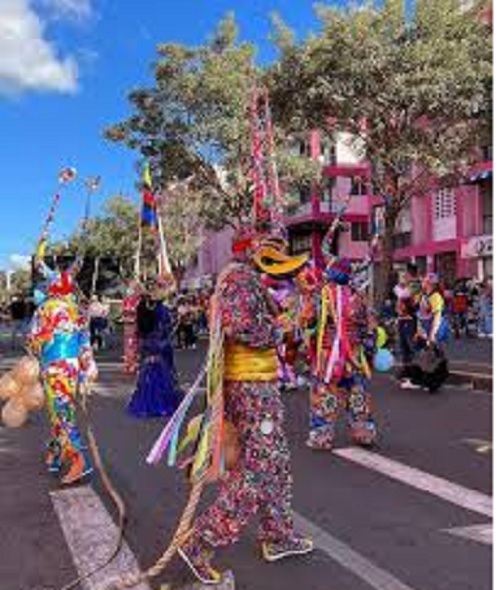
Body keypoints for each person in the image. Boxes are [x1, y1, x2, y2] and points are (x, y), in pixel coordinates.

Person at [178, 232, 313, 585]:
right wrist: (279, 328)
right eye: (275, 249)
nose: (282, 256)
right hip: (250, 389)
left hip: (259, 385)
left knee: (276, 462)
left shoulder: (247, 281)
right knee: (258, 469)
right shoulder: (239, 280)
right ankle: (200, 541)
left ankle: (278, 535)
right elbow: (243, 327)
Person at [27, 270, 97, 485]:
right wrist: (87, 368)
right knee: (61, 410)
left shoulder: (45, 308)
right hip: (72, 367)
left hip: (55, 367)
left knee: (61, 413)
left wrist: (39, 349)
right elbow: (85, 343)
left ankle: (79, 461)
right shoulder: (76, 310)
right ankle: (57, 453)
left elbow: (32, 341)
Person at [306, 257, 378, 449]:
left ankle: (323, 434)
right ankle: (363, 431)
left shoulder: (321, 295)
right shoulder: (359, 298)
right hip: (354, 357)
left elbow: (309, 324)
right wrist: (369, 350)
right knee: (356, 391)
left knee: (326, 393)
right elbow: (370, 328)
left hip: (329, 357)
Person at [127, 280, 182, 418]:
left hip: (147, 344)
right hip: (160, 344)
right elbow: (167, 328)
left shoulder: (142, 307)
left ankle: (146, 402)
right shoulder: (162, 310)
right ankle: (161, 404)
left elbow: (139, 328)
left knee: (147, 372)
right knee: (162, 373)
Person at [122, 280, 141, 374]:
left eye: (134, 288)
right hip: (128, 325)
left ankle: (135, 364)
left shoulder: (139, 300)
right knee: (128, 344)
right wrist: (127, 313)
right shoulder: (126, 300)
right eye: (131, 287)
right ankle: (128, 364)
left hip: (137, 324)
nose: (132, 290)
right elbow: (124, 311)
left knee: (136, 344)